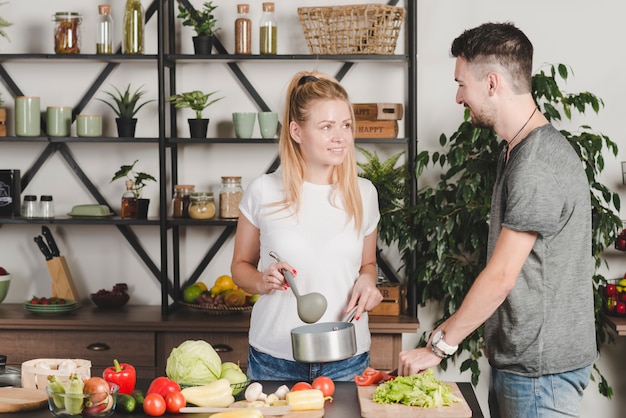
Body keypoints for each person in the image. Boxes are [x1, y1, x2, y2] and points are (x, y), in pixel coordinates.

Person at [398, 22, 597, 417]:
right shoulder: (518, 151)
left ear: (491, 83)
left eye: (461, 84)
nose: (458, 96)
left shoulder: (536, 162)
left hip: (540, 376)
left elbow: (502, 275)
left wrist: (438, 347)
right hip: (528, 368)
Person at [231, 70, 383, 382]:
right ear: (297, 131)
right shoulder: (263, 190)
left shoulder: (363, 192)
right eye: (326, 127)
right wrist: (262, 281)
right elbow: (239, 268)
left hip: (347, 359)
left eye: (345, 125)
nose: (340, 137)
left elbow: (368, 264)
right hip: (275, 359)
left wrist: (368, 283)